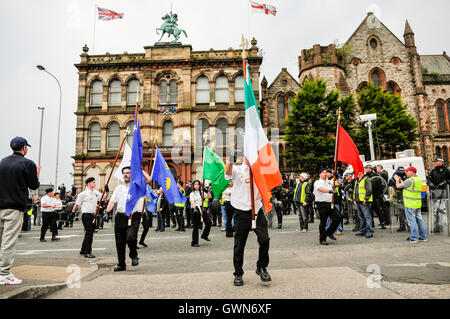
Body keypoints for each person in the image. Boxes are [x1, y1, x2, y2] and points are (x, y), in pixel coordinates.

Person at [225, 151, 271, 286]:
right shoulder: (237, 169)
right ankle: (238, 274)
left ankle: (261, 267)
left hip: (257, 210)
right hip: (241, 212)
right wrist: (231, 158)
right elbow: (227, 173)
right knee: (240, 244)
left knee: (265, 239)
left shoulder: (260, 170)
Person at [0, 137, 40, 285]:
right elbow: (34, 185)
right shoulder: (28, 163)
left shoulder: (3, 161)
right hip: (14, 207)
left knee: (0, 240)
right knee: (8, 242)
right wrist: (36, 174)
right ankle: (3, 273)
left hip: (0, 205)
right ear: (24, 148)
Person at [105, 166, 151, 271]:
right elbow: (112, 201)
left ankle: (133, 255)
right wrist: (107, 210)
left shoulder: (137, 187)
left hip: (133, 216)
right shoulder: (118, 188)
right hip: (120, 216)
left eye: (128, 173)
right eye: (124, 173)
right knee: (120, 242)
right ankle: (121, 264)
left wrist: (139, 169)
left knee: (131, 238)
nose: (126, 174)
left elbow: (149, 180)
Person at [394, 166, 428, 243]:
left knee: (411, 221)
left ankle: (413, 238)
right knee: (420, 220)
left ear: (412, 172)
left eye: (407, 171)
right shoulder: (418, 179)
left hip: (410, 204)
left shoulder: (410, 180)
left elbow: (398, 186)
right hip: (417, 203)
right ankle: (423, 237)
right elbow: (405, 184)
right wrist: (400, 180)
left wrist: (396, 180)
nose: (405, 172)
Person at [72, 177, 103, 258]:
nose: (95, 184)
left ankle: (83, 250)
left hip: (93, 215)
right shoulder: (82, 194)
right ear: (88, 183)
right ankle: (87, 252)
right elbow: (77, 204)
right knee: (89, 234)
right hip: (86, 215)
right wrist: (72, 212)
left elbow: (104, 197)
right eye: (93, 182)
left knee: (89, 233)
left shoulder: (95, 193)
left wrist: (106, 191)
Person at [313, 168, 341, 245]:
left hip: (330, 203)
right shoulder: (317, 182)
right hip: (322, 204)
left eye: (326, 172)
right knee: (323, 222)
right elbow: (321, 189)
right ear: (320, 174)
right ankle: (322, 239)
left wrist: (337, 176)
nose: (325, 174)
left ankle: (329, 232)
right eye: (323, 172)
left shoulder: (329, 182)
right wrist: (330, 191)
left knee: (338, 218)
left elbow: (338, 183)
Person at [427, 157, 450, 233]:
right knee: (436, 210)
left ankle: (440, 225)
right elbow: (429, 179)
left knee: (441, 209)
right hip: (435, 192)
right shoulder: (433, 171)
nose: (435, 163)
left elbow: (449, 179)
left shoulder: (447, 170)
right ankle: (437, 226)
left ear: (441, 162)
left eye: (436, 161)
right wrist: (430, 184)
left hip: (444, 191)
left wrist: (444, 183)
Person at [354, 170, 374, 238]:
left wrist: (366, 199)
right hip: (359, 201)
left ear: (361, 173)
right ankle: (363, 230)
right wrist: (355, 199)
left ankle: (369, 231)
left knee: (367, 216)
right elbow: (355, 191)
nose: (355, 174)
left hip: (364, 201)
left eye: (357, 172)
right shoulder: (357, 181)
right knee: (361, 217)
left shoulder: (366, 179)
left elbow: (369, 190)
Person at [389, 167, 408, 232]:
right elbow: (390, 187)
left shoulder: (406, 178)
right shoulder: (392, 179)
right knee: (400, 213)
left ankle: (408, 226)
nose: (402, 173)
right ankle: (402, 226)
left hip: (404, 197)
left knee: (406, 213)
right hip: (397, 197)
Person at [190, 180, 203, 247]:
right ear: (193, 185)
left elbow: (209, 197)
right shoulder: (192, 193)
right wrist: (194, 209)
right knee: (195, 227)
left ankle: (204, 235)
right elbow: (192, 202)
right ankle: (194, 242)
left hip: (201, 208)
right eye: (195, 184)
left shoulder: (201, 192)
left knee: (208, 222)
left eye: (198, 184)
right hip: (195, 209)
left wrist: (206, 191)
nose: (196, 185)